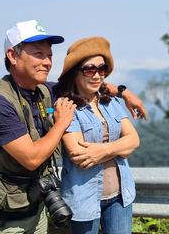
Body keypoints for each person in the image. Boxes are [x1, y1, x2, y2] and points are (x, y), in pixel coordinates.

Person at [0, 20, 146, 234]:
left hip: (37, 210)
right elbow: (32, 159)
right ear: (13, 56)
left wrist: (125, 93)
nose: (47, 62)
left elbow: (87, 82)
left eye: (49, 55)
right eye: (38, 54)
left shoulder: (44, 91)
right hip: (2, 219)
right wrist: (61, 123)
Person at [58, 37, 141, 234]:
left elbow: (134, 140)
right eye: (89, 69)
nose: (97, 75)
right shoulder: (67, 107)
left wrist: (102, 150)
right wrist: (121, 148)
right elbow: (79, 156)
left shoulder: (110, 102)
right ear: (74, 73)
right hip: (83, 199)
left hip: (120, 196)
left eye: (101, 69)